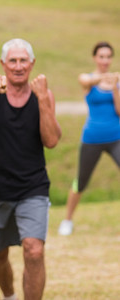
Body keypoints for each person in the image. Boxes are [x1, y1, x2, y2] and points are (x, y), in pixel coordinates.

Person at [0, 38, 61, 300]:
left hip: (32, 187)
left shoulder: (42, 95)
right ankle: (10, 295)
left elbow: (52, 141)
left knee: (34, 250)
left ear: (32, 63)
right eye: (12, 60)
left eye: (23, 60)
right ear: (3, 64)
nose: (18, 65)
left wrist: (44, 99)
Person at [58, 41, 120, 236]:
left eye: (108, 56)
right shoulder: (88, 78)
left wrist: (115, 87)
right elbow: (85, 82)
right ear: (95, 58)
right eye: (101, 56)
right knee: (81, 181)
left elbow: (119, 110)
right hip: (92, 138)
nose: (105, 60)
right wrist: (105, 78)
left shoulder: (117, 81)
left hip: (116, 137)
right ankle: (67, 220)